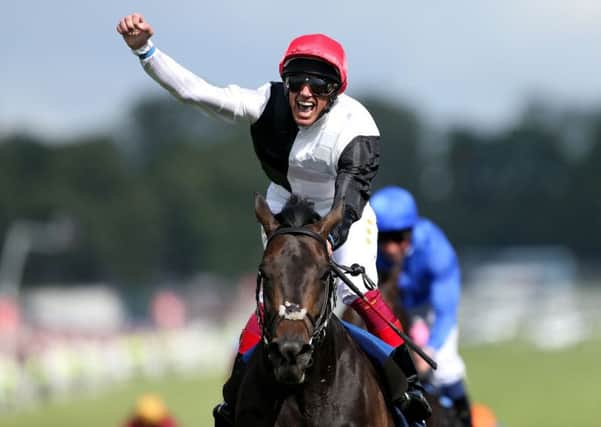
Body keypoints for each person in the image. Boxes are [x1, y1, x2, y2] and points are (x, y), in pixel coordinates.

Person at [116, 13, 430, 425]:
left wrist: (326, 240)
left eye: (317, 85)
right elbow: (196, 94)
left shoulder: (357, 127)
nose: (304, 92)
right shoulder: (265, 101)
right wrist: (145, 51)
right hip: (284, 208)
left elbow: (350, 199)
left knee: (361, 295)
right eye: (297, 81)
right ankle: (233, 399)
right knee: (274, 302)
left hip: (340, 216)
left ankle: (409, 390)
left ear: (334, 90)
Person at [370, 186, 473, 427]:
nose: (389, 248)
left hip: (426, 310)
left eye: (398, 238)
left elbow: (445, 311)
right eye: (383, 238)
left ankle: (466, 420)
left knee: (445, 367)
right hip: (390, 309)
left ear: (411, 231)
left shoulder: (436, 251)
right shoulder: (370, 250)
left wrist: (431, 350)